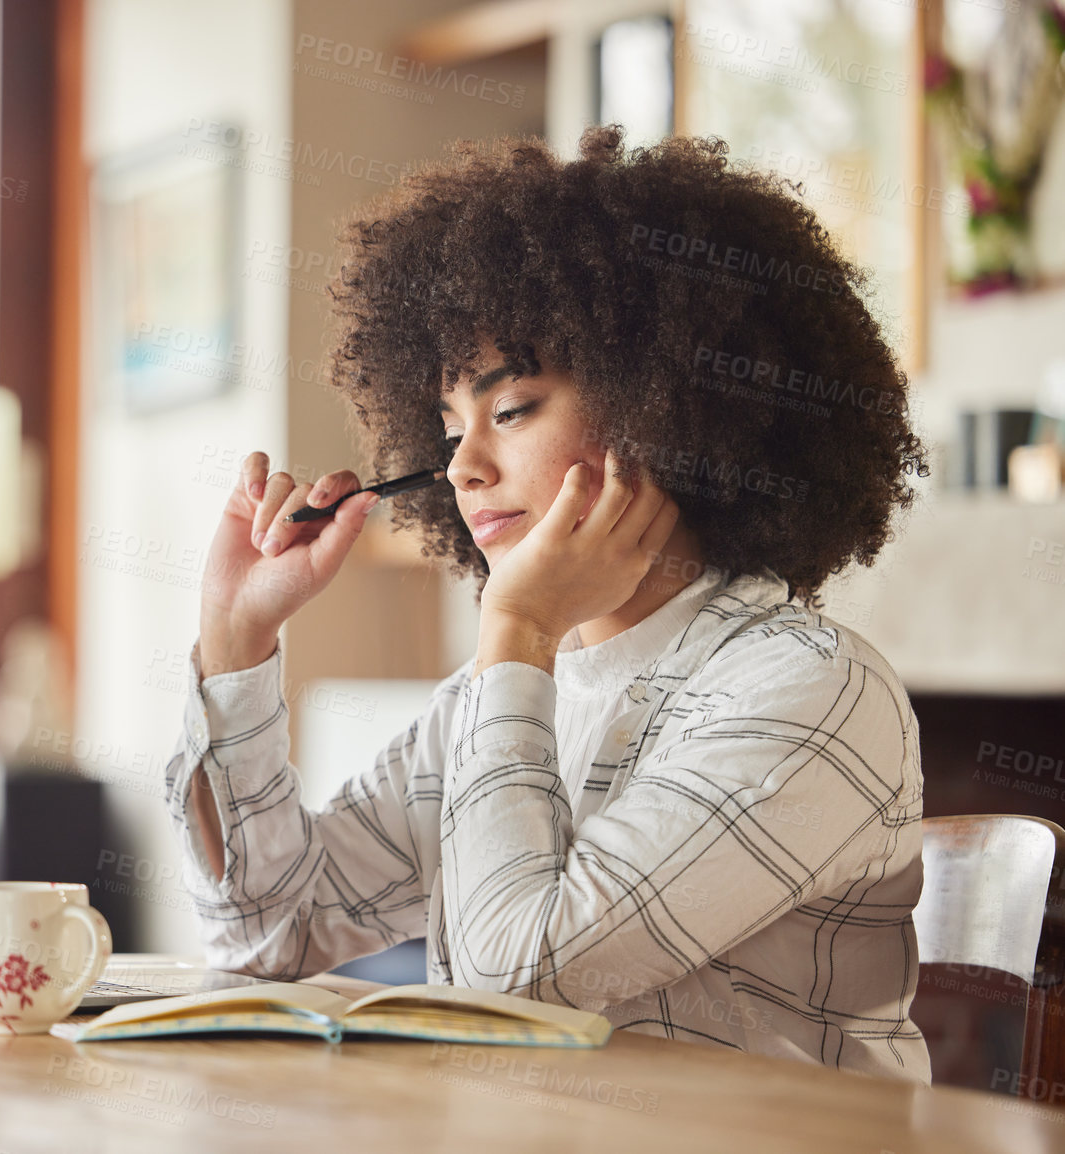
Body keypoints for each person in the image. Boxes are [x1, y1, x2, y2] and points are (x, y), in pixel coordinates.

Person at [164, 126, 932, 1081]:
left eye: (511, 410)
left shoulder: (810, 691)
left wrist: (517, 631)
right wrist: (236, 637)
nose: (461, 468)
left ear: (666, 397)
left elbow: (513, 986)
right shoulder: (503, 694)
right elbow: (264, 934)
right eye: (446, 428)